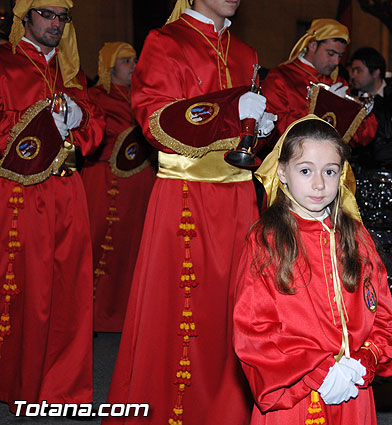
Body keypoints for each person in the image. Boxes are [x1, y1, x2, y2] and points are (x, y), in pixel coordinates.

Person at [104, 1, 275, 424]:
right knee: (181, 311)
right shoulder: (165, 41)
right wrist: (231, 114)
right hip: (186, 193)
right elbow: (155, 122)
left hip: (238, 196)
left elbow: (244, 135)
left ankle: (228, 410)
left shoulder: (246, 52)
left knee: (234, 308)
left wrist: (261, 128)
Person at [233, 115, 392, 424]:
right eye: (306, 170)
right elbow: (254, 330)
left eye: (330, 171)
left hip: (353, 384)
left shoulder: (356, 236)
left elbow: (381, 313)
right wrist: (320, 373)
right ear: (283, 173)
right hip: (294, 390)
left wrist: (364, 360)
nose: (319, 183)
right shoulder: (265, 240)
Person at [0, 0, 105, 412]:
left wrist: (79, 119)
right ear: (24, 17)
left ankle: (62, 388)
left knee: (70, 291)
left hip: (69, 189)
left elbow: (96, 134)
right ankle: (19, 383)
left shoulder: (71, 75)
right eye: (47, 14)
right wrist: (39, 123)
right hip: (22, 192)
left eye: (63, 17)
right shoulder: (6, 68)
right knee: (30, 291)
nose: (56, 24)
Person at [82, 42, 156, 333]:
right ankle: (96, 316)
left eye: (135, 59)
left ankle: (128, 315)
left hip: (141, 183)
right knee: (102, 243)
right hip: (105, 183)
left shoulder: (142, 96)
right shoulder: (96, 97)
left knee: (133, 247)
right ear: (110, 66)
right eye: (126, 60)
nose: (134, 65)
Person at [261, 18, 376, 146]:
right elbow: (275, 131)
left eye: (340, 56)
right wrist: (322, 107)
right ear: (312, 45)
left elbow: (359, 139)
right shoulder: (280, 77)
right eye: (331, 53)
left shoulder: (338, 82)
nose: (336, 62)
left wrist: (361, 115)